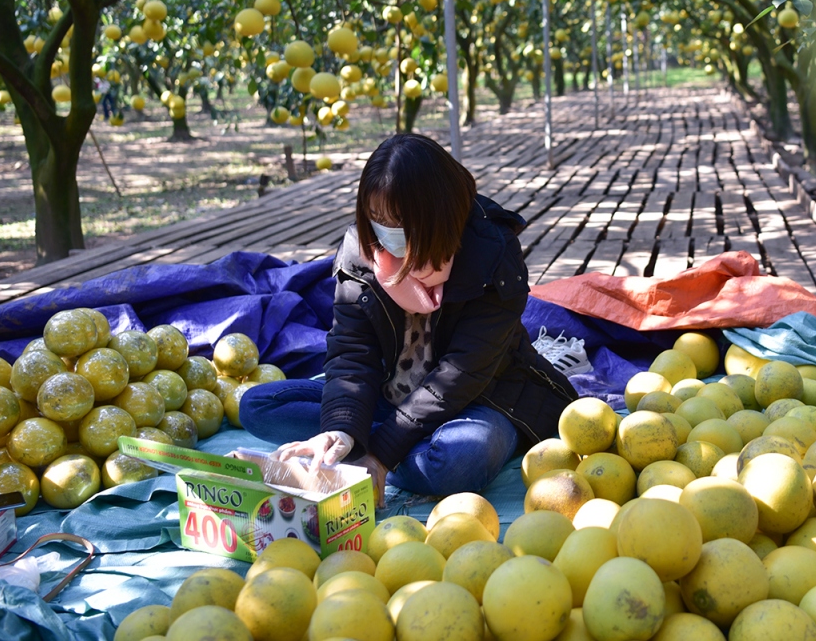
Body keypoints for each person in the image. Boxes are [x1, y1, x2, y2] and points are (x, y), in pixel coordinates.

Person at [240, 133, 578, 503]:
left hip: (480, 401)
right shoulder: (362, 253)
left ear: (438, 212)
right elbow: (352, 355)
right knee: (257, 406)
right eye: (376, 216)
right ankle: (364, 445)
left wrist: (383, 454)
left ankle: (376, 452)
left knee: (457, 460)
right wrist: (339, 429)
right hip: (390, 395)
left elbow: (461, 373)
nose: (386, 231)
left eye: (399, 219)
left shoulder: (492, 255)